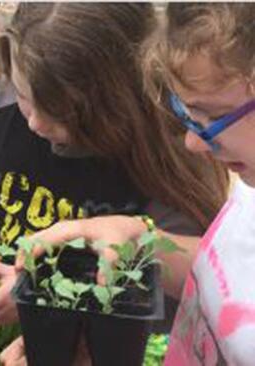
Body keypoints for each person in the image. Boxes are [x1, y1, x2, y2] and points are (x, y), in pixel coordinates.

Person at [0, 2, 228, 334]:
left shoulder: (169, 144)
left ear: (117, 98)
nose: (34, 123)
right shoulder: (7, 79)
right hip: (6, 334)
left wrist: (40, 297)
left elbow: (184, 279)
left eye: (60, 113)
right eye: (24, 96)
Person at [141, 3, 255, 365]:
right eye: (188, 114)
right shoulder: (246, 186)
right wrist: (136, 241)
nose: (193, 143)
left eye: (216, 116)